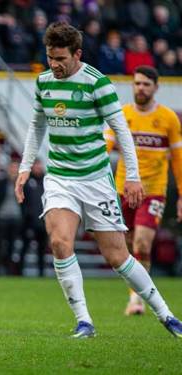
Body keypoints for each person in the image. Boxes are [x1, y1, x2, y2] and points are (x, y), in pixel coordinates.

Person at [14, 21, 182, 339]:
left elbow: (122, 131)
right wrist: (25, 166)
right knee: (60, 243)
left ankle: (167, 315)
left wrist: (131, 176)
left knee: (117, 255)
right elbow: (36, 125)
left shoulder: (97, 83)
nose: (54, 64)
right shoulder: (44, 82)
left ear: (77, 54)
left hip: (95, 179)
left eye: (60, 58)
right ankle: (84, 322)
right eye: (50, 57)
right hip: (60, 177)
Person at [105, 66, 182, 316]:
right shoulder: (121, 114)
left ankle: (136, 299)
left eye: (146, 84)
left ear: (156, 88)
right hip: (122, 190)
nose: (141, 88)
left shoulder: (168, 118)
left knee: (142, 243)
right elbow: (104, 147)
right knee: (126, 245)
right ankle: (135, 294)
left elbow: (178, 160)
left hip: (153, 192)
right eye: (137, 83)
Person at [0, 159, 23, 276]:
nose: (13, 170)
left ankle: (9, 272)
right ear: (8, 169)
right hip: (2, 218)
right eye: (12, 168)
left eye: (15, 168)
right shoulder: (0, 183)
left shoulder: (22, 184)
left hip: (15, 219)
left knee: (12, 247)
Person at [20, 159, 47, 277]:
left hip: (43, 222)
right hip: (29, 223)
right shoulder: (27, 182)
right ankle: (18, 273)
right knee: (25, 248)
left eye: (39, 165)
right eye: (35, 165)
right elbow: (24, 203)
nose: (38, 168)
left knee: (42, 250)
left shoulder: (46, 182)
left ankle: (41, 273)